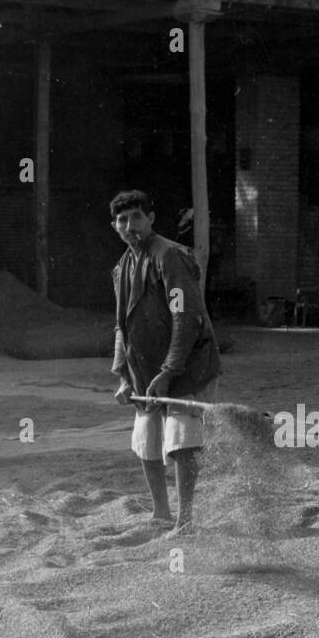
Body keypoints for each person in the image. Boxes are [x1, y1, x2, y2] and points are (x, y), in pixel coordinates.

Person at [110, 189, 222, 535]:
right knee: (148, 437)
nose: (131, 226)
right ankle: (161, 511)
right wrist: (123, 375)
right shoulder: (121, 269)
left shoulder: (170, 256)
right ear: (115, 226)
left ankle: (185, 519)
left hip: (189, 363)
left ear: (151, 218)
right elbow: (122, 326)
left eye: (137, 217)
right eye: (123, 220)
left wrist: (170, 370)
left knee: (182, 437)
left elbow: (186, 317)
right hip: (144, 368)